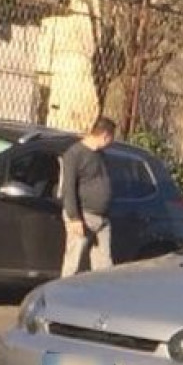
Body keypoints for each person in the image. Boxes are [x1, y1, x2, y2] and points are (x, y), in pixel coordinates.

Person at [60, 117, 116, 277]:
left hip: (102, 218)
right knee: (74, 261)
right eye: (111, 138)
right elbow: (68, 188)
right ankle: (64, 294)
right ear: (105, 135)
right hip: (83, 215)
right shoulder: (74, 154)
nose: (111, 142)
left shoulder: (100, 155)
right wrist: (74, 217)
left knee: (104, 264)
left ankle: (101, 297)